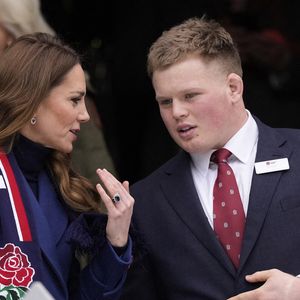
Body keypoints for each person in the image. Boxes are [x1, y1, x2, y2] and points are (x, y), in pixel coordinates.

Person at [120, 17, 300, 300]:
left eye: (190, 96)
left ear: (233, 88)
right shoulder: (145, 201)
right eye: (165, 102)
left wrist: (296, 290)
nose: (177, 112)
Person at [0, 33, 134, 300]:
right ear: (33, 100)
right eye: (74, 100)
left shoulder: (60, 181)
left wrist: (116, 241)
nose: (85, 115)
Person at [0, 0, 117, 185]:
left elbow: (101, 193)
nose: (83, 115)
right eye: (74, 100)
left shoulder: (65, 93)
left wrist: (114, 212)